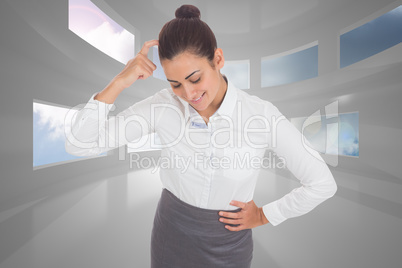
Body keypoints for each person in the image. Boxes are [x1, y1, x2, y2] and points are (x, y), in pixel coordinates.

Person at [65, 4, 337, 268]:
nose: (189, 94)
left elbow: (322, 183)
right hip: (170, 235)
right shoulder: (162, 106)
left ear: (218, 59)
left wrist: (266, 215)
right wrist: (119, 83)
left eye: (195, 79)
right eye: (175, 84)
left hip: (229, 246)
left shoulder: (261, 116)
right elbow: (79, 144)